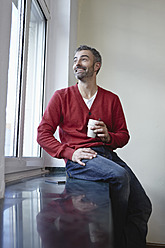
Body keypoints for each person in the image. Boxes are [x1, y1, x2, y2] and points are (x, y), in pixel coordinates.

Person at [37, 45, 152, 248]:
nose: (77, 63)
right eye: (75, 60)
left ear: (97, 66)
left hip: (108, 156)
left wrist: (108, 137)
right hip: (81, 158)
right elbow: (43, 134)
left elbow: (123, 136)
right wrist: (70, 153)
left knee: (142, 206)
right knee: (119, 176)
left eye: (83, 59)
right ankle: (114, 241)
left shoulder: (112, 99)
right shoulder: (61, 96)